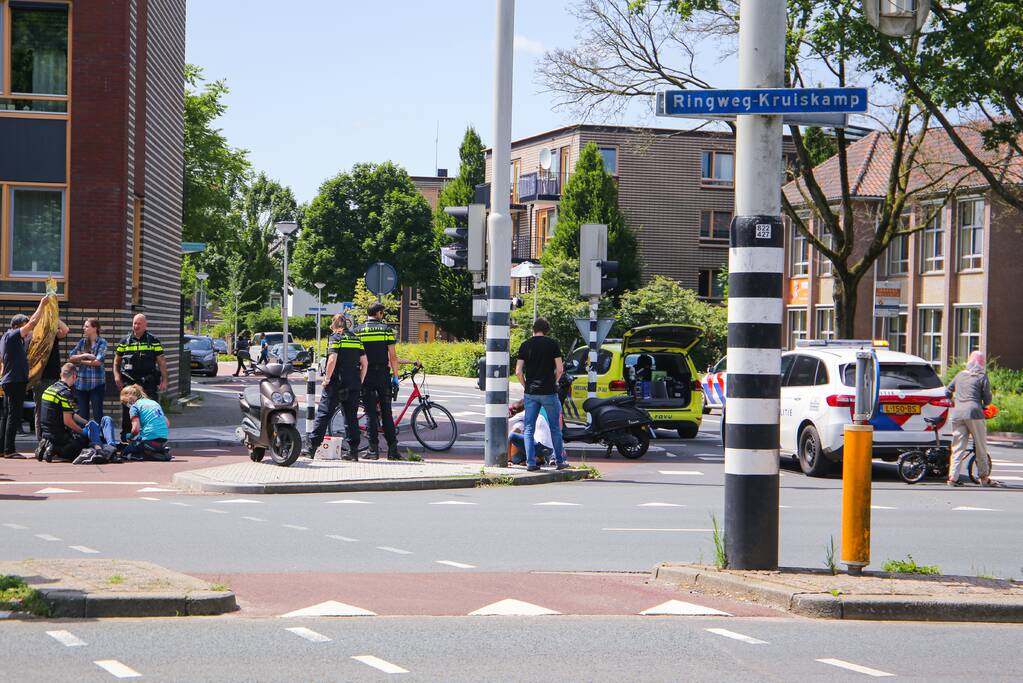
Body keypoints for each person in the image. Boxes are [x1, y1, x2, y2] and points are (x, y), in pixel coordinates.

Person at [355, 302, 418, 460]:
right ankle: (392, 450)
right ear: (379, 313)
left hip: (366, 375)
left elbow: (357, 356)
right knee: (386, 413)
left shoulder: (358, 331)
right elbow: (393, 357)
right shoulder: (386, 330)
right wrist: (395, 376)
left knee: (370, 414)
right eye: (382, 313)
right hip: (383, 375)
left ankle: (373, 450)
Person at [304, 314, 367, 459]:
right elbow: (365, 363)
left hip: (336, 382)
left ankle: (312, 448)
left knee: (324, 414)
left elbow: (332, 360)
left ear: (334, 324)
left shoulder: (335, 338)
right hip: (353, 382)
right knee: (351, 417)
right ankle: (353, 452)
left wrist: (326, 379)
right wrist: (360, 381)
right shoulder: (356, 339)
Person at [515, 318, 567, 472]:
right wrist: (554, 382)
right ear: (546, 330)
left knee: (529, 428)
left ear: (533, 329)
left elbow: (518, 371)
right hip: (549, 392)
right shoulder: (552, 344)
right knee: (555, 428)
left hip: (531, 392)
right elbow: (560, 369)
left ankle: (531, 463)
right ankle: (559, 461)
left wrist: (526, 386)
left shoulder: (525, 345)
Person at [0, 297, 48, 458]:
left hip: (10, 380)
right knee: (14, 416)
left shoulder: (8, 338)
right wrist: (42, 304)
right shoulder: (13, 336)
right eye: (24, 326)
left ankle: (3, 448)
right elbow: (33, 322)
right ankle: (9, 450)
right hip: (15, 381)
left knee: (7, 415)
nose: (28, 332)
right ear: (17, 326)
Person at [946, 350, 1000, 487]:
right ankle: (984, 478)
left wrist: (954, 402)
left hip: (957, 414)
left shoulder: (960, 375)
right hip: (974, 413)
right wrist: (984, 404)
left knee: (958, 447)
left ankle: (952, 478)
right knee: (980, 446)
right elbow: (987, 399)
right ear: (982, 363)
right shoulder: (982, 376)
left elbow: (947, 391)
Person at [113, 314, 168, 442]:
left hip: (148, 382)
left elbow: (161, 362)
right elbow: (116, 362)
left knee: (150, 410)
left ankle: (150, 438)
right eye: (134, 323)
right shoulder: (124, 342)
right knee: (128, 412)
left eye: (139, 324)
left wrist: (164, 380)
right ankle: (126, 439)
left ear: (145, 325)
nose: (136, 326)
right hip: (129, 383)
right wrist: (117, 377)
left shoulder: (153, 341)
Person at [38, 364, 92, 461]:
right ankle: (55, 449)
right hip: (58, 434)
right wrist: (82, 432)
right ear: (74, 376)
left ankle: (45, 445)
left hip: (45, 433)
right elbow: (68, 421)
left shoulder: (49, 389)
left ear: (61, 374)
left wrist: (86, 422)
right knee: (83, 445)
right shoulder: (65, 393)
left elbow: (70, 413)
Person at [33, 317, 70, 438]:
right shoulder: (35, 336)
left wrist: (53, 315)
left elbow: (65, 330)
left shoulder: (52, 335)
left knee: (55, 409)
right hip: (40, 379)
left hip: (54, 378)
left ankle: (52, 438)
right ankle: (41, 440)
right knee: (40, 410)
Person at [68, 318, 107, 421]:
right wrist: (85, 355)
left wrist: (80, 360)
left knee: (98, 413)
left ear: (95, 328)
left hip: (97, 384)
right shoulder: (82, 342)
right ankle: (83, 432)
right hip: (81, 383)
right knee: (82, 414)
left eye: (86, 326)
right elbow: (71, 357)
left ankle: (99, 431)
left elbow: (98, 362)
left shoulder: (102, 342)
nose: (83, 328)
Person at [119, 384, 169, 458]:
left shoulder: (135, 407)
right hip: (164, 440)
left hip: (148, 440)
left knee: (126, 452)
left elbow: (136, 429)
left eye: (125, 403)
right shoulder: (154, 403)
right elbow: (167, 423)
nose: (127, 405)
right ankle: (158, 452)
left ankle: (143, 455)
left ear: (129, 399)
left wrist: (130, 436)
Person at [508, 399, 554, 466]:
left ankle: (532, 459)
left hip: (539, 447)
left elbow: (508, 425)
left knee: (512, 436)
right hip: (549, 450)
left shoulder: (524, 415)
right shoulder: (539, 415)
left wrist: (509, 460)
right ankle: (539, 458)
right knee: (528, 437)